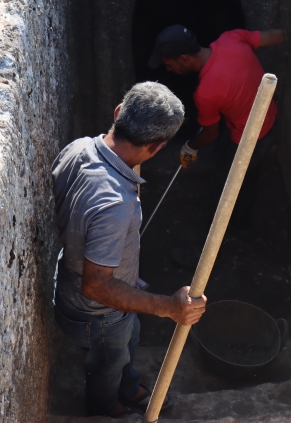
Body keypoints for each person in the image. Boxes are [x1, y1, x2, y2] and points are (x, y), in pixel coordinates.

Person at [51, 82, 207, 418]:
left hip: (91, 295)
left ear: (118, 113)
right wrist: (169, 308)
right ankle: (108, 409)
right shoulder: (115, 206)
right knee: (107, 366)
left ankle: (129, 386)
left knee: (130, 336)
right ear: (158, 147)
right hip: (98, 314)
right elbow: (96, 285)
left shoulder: (78, 149)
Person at [148, 25, 285, 228]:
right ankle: (243, 222)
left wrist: (190, 147)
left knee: (224, 184)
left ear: (184, 59)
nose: (169, 70)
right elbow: (277, 35)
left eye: (169, 65)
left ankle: (220, 234)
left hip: (248, 139)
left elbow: (211, 133)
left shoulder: (205, 93)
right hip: (271, 117)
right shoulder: (233, 38)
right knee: (250, 175)